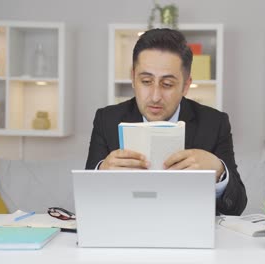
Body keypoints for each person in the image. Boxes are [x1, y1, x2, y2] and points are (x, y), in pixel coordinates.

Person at [85, 28, 247, 215]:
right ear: (132, 78)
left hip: (189, 232)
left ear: (186, 85)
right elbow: (86, 201)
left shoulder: (215, 123)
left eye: (167, 84)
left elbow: (237, 207)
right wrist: (101, 172)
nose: (155, 97)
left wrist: (219, 170)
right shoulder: (106, 119)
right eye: (146, 81)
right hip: (124, 228)